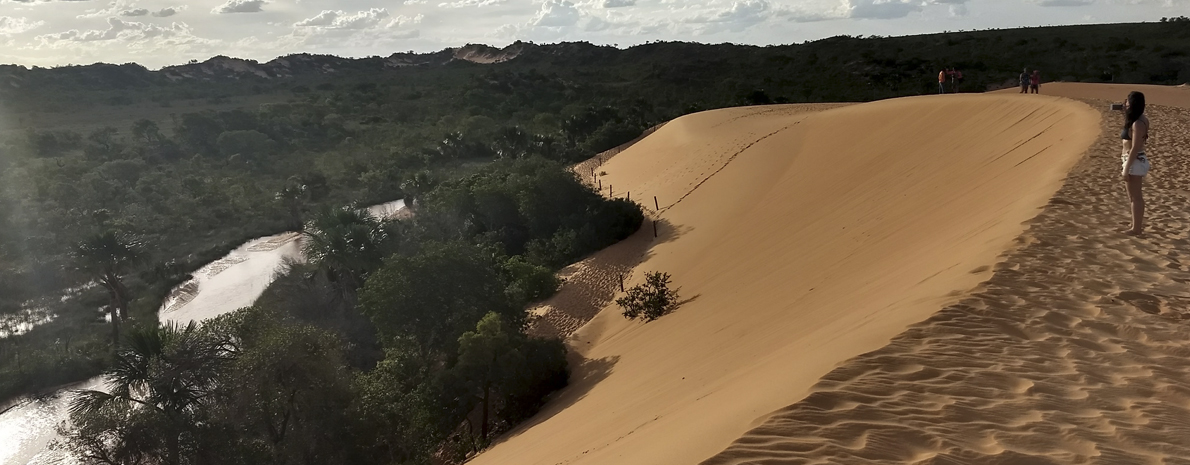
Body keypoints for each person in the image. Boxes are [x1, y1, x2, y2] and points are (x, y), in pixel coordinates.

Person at [1119, 91, 1150, 236]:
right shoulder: (1139, 119)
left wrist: (1126, 168)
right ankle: (1135, 225)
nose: (1125, 104)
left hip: (1134, 161)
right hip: (1133, 160)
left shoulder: (1138, 123)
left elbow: (1135, 147)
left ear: (1133, 104)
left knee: (1135, 197)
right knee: (1134, 196)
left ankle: (1136, 229)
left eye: (1127, 102)